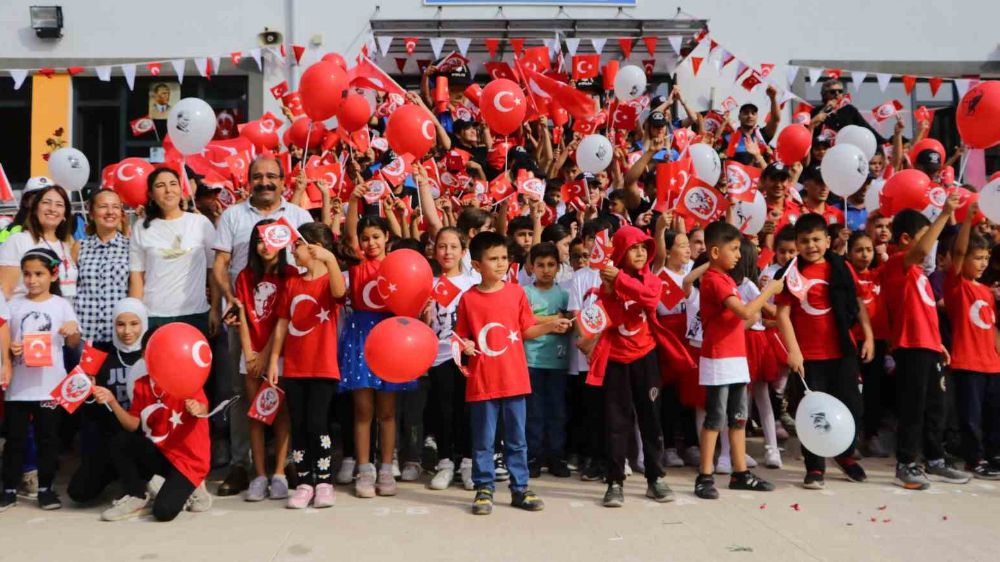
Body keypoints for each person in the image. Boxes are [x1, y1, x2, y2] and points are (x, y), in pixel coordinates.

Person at [212, 154, 312, 498]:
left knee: (289, 395)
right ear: (248, 180)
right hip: (244, 322)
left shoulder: (299, 216)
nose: (265, 182)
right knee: (244, 397)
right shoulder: (232, 216)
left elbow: (313, 263)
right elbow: (221, 265)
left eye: (272, 176)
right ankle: (244, 465)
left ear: (284, 181)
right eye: (258, 176)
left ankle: (289, 462)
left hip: (290, 323)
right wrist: (230, 300)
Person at [454, 231, 571, 515]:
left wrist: (550, 326)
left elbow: (526, 329)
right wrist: (466, 345)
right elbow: (459, 338)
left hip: (515, 379)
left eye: (504, 258)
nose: (500, 264)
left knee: (518, 438)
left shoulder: (516, 293)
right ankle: (484, 488)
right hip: (482, 382)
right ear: (477, 265)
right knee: (483, 439)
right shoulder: (468, 299)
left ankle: (520, 487)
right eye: (492, 259)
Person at [585, 225, 692, 507]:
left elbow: (650, 298)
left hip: (646, 357)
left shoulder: (652, 280)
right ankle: (615, 481)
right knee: (616, 423)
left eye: (644, 247)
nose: (641, 252)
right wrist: (611, 285)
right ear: (620, 252)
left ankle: (655, 478)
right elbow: (608, 314)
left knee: (651, 419)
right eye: (634, 247)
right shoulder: (605, 284)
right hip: (616, 361)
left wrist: (619, 278)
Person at [776, 214, 873, 489]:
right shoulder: (792, 273)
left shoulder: (841, 267)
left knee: (853, 406)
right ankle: (815, 466)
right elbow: (783, 313)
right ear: (797, 243)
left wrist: (867, 336)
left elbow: (857, 301)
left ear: (828, 241)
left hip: (842, 352)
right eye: (804, 241)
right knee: (813, 414)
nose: (811, 246)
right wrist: (794, 352)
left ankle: (844, 454)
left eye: (816, 239)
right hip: (809, 357)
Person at [881, 195, 972, 490]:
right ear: (906, 239)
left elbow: (926, 313)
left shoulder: (919, 274)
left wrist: (938, 343)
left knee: (936, 406)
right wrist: (945, 213)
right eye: (923, 238)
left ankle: (934, 458)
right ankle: (907, 463)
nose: (928, 248)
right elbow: (920, 249)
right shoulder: (898, 264)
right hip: (910, 347)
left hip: (929, 346)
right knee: (913, 405)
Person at [694, 222, 781, 500]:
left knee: (739, 418)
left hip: (735, 358)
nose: (739, 255)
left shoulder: (728, 279)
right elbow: (744, 311)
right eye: (733, 249)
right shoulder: (714, 280)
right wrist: (768, 291)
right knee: (715, 419)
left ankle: (740, 472)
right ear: (716, 251)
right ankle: (705, 475)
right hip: (718, 360)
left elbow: (737, 321)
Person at [340, 186, 415, 498]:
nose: (370, 243)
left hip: (390, 337)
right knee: (362, 410)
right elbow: (348, 235)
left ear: (387, 238)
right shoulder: (357, 264)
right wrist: (354, 201)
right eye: (366, 238)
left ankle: (386, 468)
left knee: (387, 410)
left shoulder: (397, 264)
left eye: (376, 237)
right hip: (360, 335)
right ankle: (364, 469)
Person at [267, 223, 346, 509]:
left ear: (313, 247)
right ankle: (304, 482)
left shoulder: (329, 281)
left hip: (323, 366)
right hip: (295, 367)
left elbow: (339, 293)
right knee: (298, 425)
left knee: (317, 423)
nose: (292, 250)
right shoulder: (292, 283)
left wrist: (330, 259)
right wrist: (276, 359)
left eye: (297, 244)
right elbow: (282, 325)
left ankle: (324, 481)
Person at [0, 248, 77, 512]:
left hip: (50, 387)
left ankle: (46, 489)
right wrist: (13, 349)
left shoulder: (62, 305)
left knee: (49, 439)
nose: (32, 280)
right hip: (19, 388)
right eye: (27, 274)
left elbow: (74, 340)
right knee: (15, 439)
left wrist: (71, 331)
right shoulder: (14, 305)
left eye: (39, 274)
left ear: (53, 274)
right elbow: (5, 341)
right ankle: (8, 488)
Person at [94, 367, 213, 521]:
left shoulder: (186, 379)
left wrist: (197, 407)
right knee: (121, 441)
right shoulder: (141, 384)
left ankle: (194, 487)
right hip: (162, 453)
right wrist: (112, 401)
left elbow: (203, 408)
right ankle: (137, 496)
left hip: (188, 461)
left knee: (163, 512)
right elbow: (132, 425)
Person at [232, 219, 294, 502]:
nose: (265, 246)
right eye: (259, 240)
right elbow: (243, 316)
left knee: (281, 414)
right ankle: (259, 475)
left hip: (280, 354)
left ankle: (279, 472)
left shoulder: (290, 275)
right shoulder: (245, 276)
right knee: (255, 415)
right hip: (252, 356)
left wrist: (266, 355)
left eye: (270, 239)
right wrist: (249, 355)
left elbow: (283, 319)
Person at [67, 298, 147, 504]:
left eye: (134, 323)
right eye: (120, 324)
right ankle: (118, 473)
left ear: (144, 323)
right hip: (112, 439)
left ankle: (138, 488)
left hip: (147, 440)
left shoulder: (151, 356)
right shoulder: (102, 357)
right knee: (79, 491)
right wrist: (89, 392)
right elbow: (91, 414)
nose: (127, 331)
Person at [944, 203, 1000, 479]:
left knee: (994, 415)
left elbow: (992, 329)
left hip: (993, 365)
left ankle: (993, 455)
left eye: (986, 257)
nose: (983, 263)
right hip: (968, 363)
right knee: (971, 417)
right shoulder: (957, 285)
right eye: (977, 257)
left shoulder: (988, 292)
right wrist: (966, 220)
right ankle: (974, 459)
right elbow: (958, 251)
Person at [129, 168, 219, 334]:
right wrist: (136, 316)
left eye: (173, 184)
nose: (168, 190)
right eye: (160, 185)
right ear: (151, 194)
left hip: (196, 315)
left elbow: (214, 270)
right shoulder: (140, 228)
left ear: (181, 189)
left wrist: (215, 309)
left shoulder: (200, 223)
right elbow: (137, 278)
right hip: (153, 316)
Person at [423, 227, 476, 490]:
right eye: (442, 246)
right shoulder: (428, 284)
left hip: (467, 355)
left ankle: (467, 462)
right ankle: (445, 462)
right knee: (443, 411)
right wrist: (424, 315)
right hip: (438, 355)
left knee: (466, 411)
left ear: (463, 252)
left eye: (454, 246)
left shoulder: (472, 282)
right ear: (434, 251)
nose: (447, 252)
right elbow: (421, 325)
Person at [523, 242, 571, 478]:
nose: (545, 269)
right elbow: (525, 323)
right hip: (531, 361)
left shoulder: (564, 294)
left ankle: (556, 456)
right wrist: (554, 320)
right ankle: (533, 457)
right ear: (531, 267)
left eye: (551, 265)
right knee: (534, 412)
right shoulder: (525, 293)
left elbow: (569, 323)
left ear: (558, 267)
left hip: (558, 362)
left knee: (557, 412)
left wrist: (541, 320)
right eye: (540, 265)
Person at [847, 231, 891, 458]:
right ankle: (849, 439)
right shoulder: (847, 275)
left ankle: (870, 436)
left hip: (879, 341)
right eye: (858, 250)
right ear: (849, 253)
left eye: (868, 250)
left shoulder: (879, 275)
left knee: (874, 392)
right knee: (852, 392)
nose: (864, 254)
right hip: (854, 341)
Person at [0, 184, 78, 302]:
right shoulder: (19, 240)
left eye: (59, 205)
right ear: (36, 209)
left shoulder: (66, 246)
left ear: (65, 214)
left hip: (63, 318)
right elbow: (4, 290)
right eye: (46, 202)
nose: (52, 209)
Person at [73, 189, 130, 346]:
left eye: (116, 207)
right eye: (103, 206)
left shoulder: (131, 247)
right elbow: (70, 289)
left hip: (120, 337)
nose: (110, 212)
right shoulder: (80, 246)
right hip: (84, 336)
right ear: (91, 213)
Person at [809, 80, 887, 144]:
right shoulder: (816, 111)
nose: (837, 94)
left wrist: (884, 141)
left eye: (840, 91)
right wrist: (826, 109)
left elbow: (865, 127)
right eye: (833, 92)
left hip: (847, 150)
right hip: (823, 152)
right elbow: (812, 131)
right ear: (825, 94)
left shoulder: (849, 110)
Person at [0, 177, 53, 244]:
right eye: (37, 197)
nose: (44, 203)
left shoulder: (63, 231)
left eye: (49, 198)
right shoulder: (12, 232)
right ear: (26, 202)